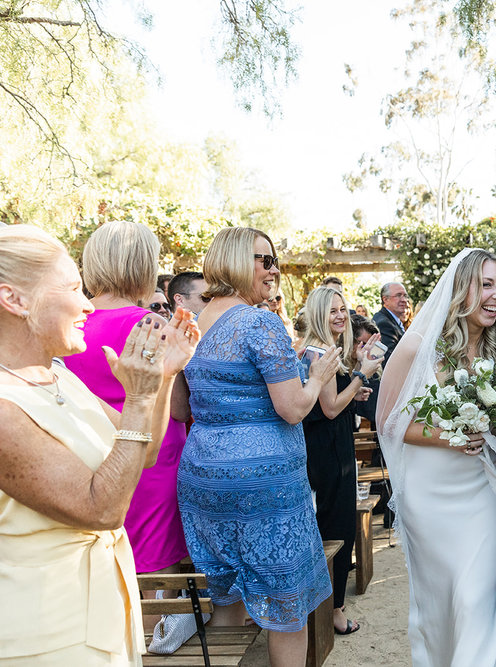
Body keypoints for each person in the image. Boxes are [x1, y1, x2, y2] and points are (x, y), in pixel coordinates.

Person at [0, 224, 199, 665]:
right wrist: (141, 395)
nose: (88, 303)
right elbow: (102, 509)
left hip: (102, 611)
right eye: (73, 288)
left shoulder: (58, 376)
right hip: (46, 628)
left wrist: (162, 379)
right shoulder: (4, 408)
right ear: (14, 299)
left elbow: (143, 452)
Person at [177, 227, 342, 667]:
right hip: (263, 483)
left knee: (227, 601)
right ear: (232, 259)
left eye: (275, 261)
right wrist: (320, 378)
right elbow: (292, 408)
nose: (273, 270)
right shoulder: (259, 320)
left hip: (204, 480)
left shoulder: (193, 322)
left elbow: (179, 408)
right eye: (263, 260)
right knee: (289, 609)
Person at [376, 248, 496, 667]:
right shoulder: (418, 346)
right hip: (430, 496)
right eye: (486, 284)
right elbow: (389, 423)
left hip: (482, 492)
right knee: (437, 608)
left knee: (476, 599)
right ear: (460, 288)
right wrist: (449, 437)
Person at [63, 221, 191, 578]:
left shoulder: (72, 321)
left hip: (88, 459)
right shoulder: (148, 324)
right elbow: (178, 408)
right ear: (142, 265)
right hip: (148, 460)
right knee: (152, 579)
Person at [299, 287, 383, 636]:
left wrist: (354, 388)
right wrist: (363, 374)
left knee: (328, 525)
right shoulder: (323, 352)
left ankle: (325, 607)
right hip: (329, 453)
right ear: (318, 313)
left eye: (343, 309)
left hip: (323, 447)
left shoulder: (314, 349)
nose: (339, 316)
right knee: (337, 526)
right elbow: (331, 407)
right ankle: (334, 611)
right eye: (331, 310)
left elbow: (328, 401)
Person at [373, 282, 408, 363]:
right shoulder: (384, 324)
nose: (404, 300)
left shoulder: (393, 320)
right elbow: (389, 360)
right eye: (398, 295)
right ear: (385, 299)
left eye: (405, 296)